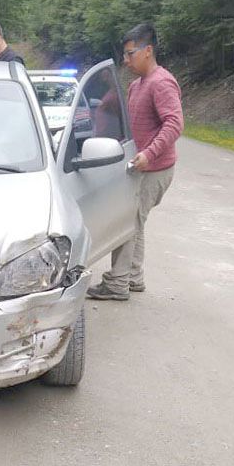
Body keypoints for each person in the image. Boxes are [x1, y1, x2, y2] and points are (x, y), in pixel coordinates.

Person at [87, 23, 184, 300]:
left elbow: (175, 123)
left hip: (153, 169)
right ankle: (133, 277)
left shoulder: (161, 82)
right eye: (125, 55)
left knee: (127, 221)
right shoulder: (137, 85)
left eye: (130, 54)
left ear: (148, 50)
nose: (126, 60)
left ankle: (118, 283)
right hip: (139, 166)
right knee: (134, 222)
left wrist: (149, 153)